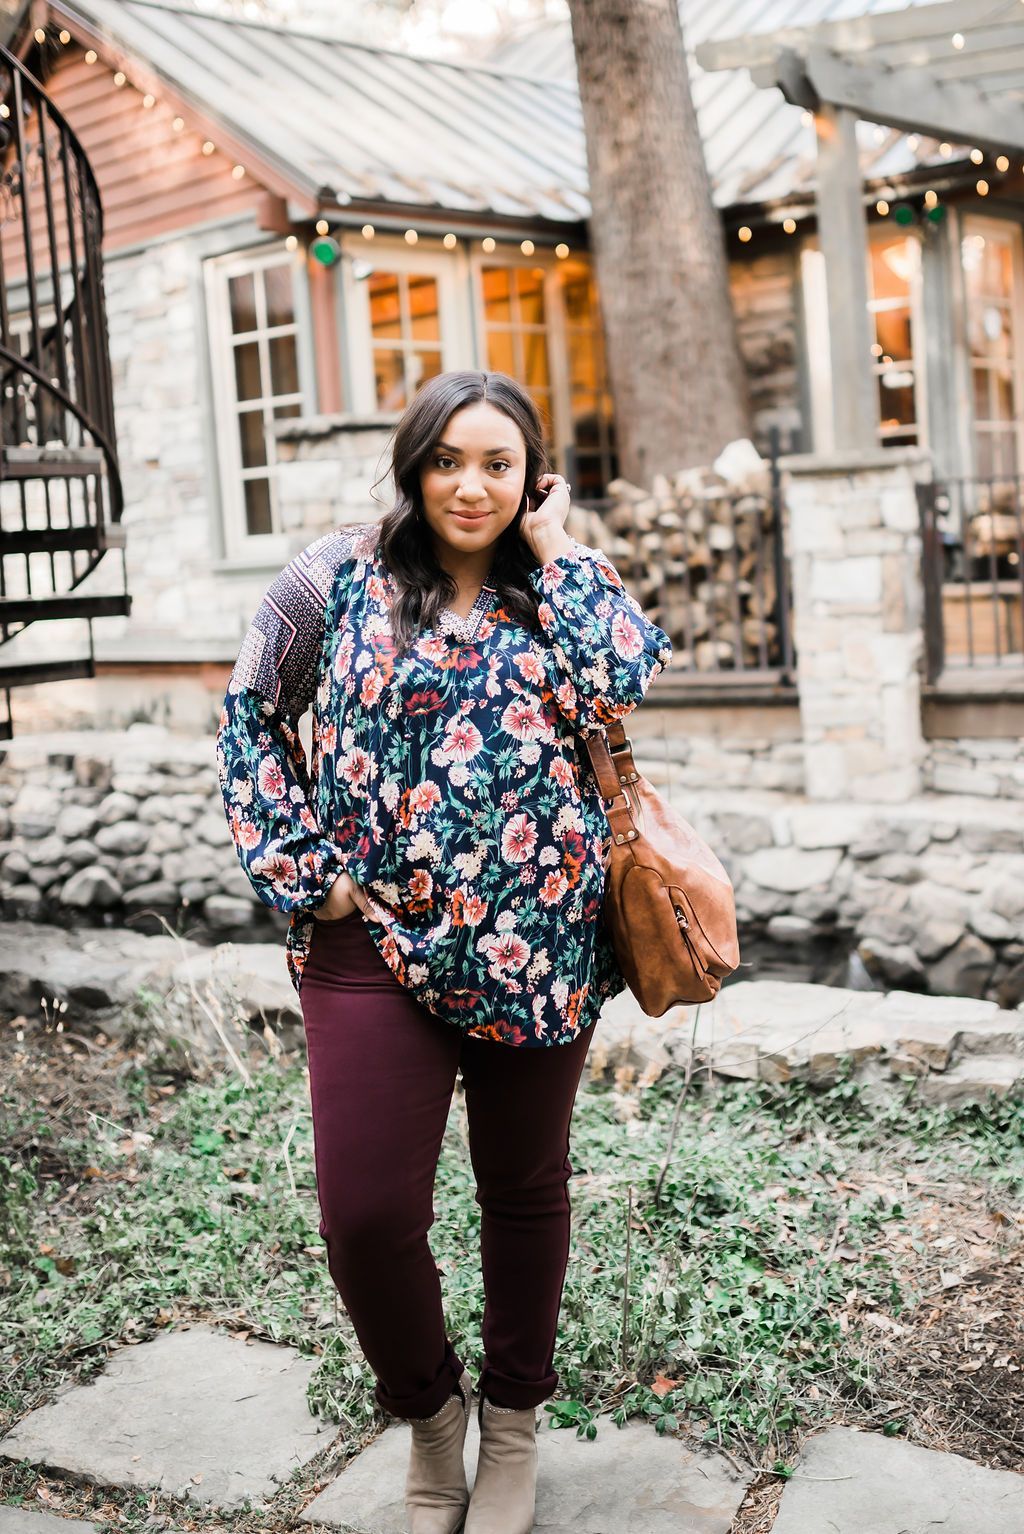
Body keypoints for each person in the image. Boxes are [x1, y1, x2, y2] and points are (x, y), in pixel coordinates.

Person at [216, 370, 672, 1534]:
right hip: (374, 943)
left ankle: (512, 1422)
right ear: (413, 462)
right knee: (364, 1210)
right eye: (448, 460)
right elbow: (249, 712)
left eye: (498, 464)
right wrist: (310, 879)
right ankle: (430, 1415)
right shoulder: (333, 577)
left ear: (531, 479)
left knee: (523, 1191)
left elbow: (628, 674)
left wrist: (559, 544)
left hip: (541, 941)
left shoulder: (561, 584)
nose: (470, 485)